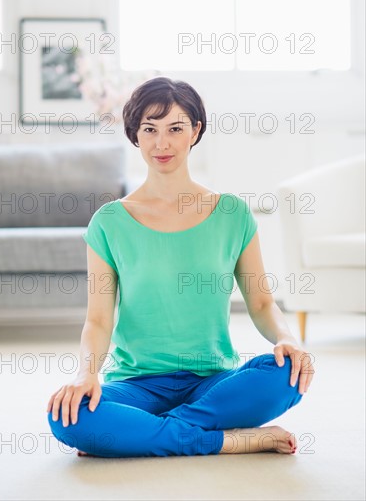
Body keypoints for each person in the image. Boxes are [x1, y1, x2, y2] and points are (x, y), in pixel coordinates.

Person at [46, 77, 315, 458]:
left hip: (212, 382)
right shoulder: (109, 222)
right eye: (150, 130)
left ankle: (140, 435)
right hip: (135, 385)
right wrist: (86, 374)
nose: (162, 143)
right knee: (67, 416)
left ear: (196, 131)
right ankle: (227, 440)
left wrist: (285, 339)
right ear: (135, 135)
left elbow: (261, 303)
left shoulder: (232, 214)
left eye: (175, 128)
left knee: (285, 375)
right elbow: (99, 321)